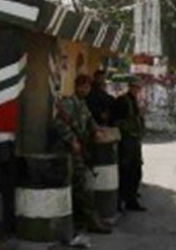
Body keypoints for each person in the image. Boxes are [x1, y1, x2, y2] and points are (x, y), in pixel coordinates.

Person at [53, 75, 112, 238]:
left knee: (80, 184)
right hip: (68, 150)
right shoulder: (68, 103)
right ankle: (91, 220)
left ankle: (83, 219)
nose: (86, 90)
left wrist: (97, 130)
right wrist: (72, 140)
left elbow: (90, 120)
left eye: (88, 87)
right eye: (83, 87)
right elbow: (58, 123)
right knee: (81, 185)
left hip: (80, 148)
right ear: (76, 87)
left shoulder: (82, 104)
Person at [114, 78, 146, 212]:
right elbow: (116, 121)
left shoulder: (134, 101)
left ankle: (131, 199)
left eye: (139, 88)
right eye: (135, 87)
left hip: (134, 140)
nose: (137, 90)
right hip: (126, 141)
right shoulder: (122, 101)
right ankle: (121, 200)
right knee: (125, 171)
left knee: (136, 171)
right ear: (130, 87)